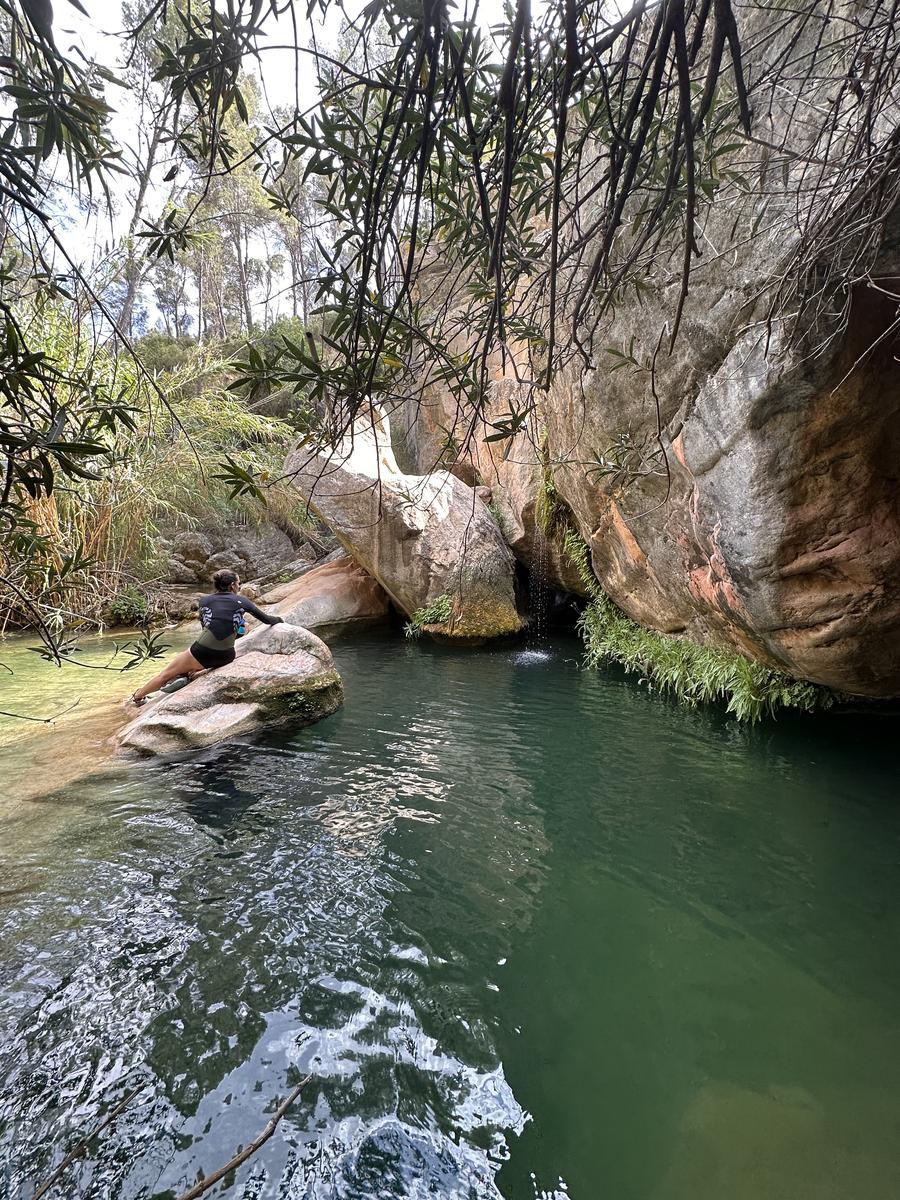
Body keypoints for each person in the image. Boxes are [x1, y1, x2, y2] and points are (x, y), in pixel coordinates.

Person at [130, 568, 284, 705]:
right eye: (239, 583)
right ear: (232, 585)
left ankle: (138, 696)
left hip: (203, 652)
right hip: (227, 656)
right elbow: (268, 620)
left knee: (166, 674)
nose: (239, 586)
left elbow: (207, 628)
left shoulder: (204, 601)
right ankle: (194, 674)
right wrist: (280, 621)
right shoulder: (243, 601)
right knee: (245, 628)